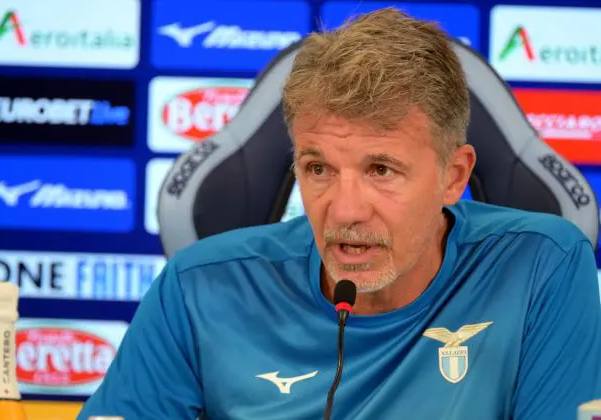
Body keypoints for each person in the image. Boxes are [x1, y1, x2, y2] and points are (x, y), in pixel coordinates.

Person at [78, 7, 601, 420]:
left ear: (454, 176)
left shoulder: (543, 266)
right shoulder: (197, 287)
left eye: (381, 170)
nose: (344, 211)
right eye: (318, 168)